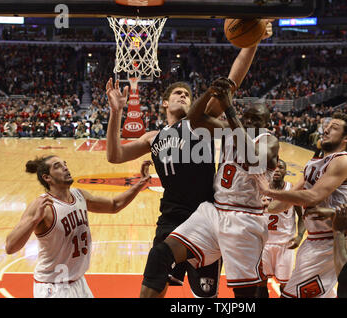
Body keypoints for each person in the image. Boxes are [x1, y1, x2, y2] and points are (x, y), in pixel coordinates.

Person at [106, 20, 273, 298]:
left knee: (205, 294)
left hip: (205, 213)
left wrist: (252, 40)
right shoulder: (152, 137)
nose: (184, 96)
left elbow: (232, 81)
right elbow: (114, 156)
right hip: (171, 215)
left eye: (188, 94)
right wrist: (116, 113)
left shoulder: (202, 123)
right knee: (155, 280)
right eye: (178, 93)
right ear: (164, 103)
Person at [139, 78, 279, 298]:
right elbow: (191, 120)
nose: (250, 121)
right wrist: (209, 93)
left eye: (257, 119)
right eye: (247, 117)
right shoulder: (229, 130)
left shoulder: (269, 140)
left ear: (267, 123)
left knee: (246, 294)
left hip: (245, 219)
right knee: (160, 254)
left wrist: (230, 109)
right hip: (214, 211)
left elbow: (253, 159)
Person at [5, 155, 152, 298]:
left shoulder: (79, 195)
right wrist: (34, 221)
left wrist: (140, 183)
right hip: (53, 287)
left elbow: (114, 205)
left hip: (78, 282)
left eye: (65, 164)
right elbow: (10, 246)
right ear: (47, 177)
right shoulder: (43, 205)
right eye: (58, 166)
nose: (65, 168)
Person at [255, 112, 347, 298]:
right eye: (327, 126)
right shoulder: (315, 162)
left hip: (331, 240)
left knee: (291, 295)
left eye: (334, 128)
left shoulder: (343, 161)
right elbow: (291, 198)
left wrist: (268, 191)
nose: (326, 129)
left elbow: (312, 196)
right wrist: (265, 207)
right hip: (314, 239)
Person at [259, 159, 305, 297]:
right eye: (275, 167)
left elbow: (302, 216)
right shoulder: (260, 189)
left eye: (281, 167)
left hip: (285, 245)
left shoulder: (291, 190)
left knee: (286, 286)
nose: (277, 170)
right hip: (264, 244)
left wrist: (300, 235)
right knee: (260, 284)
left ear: (286, 171)